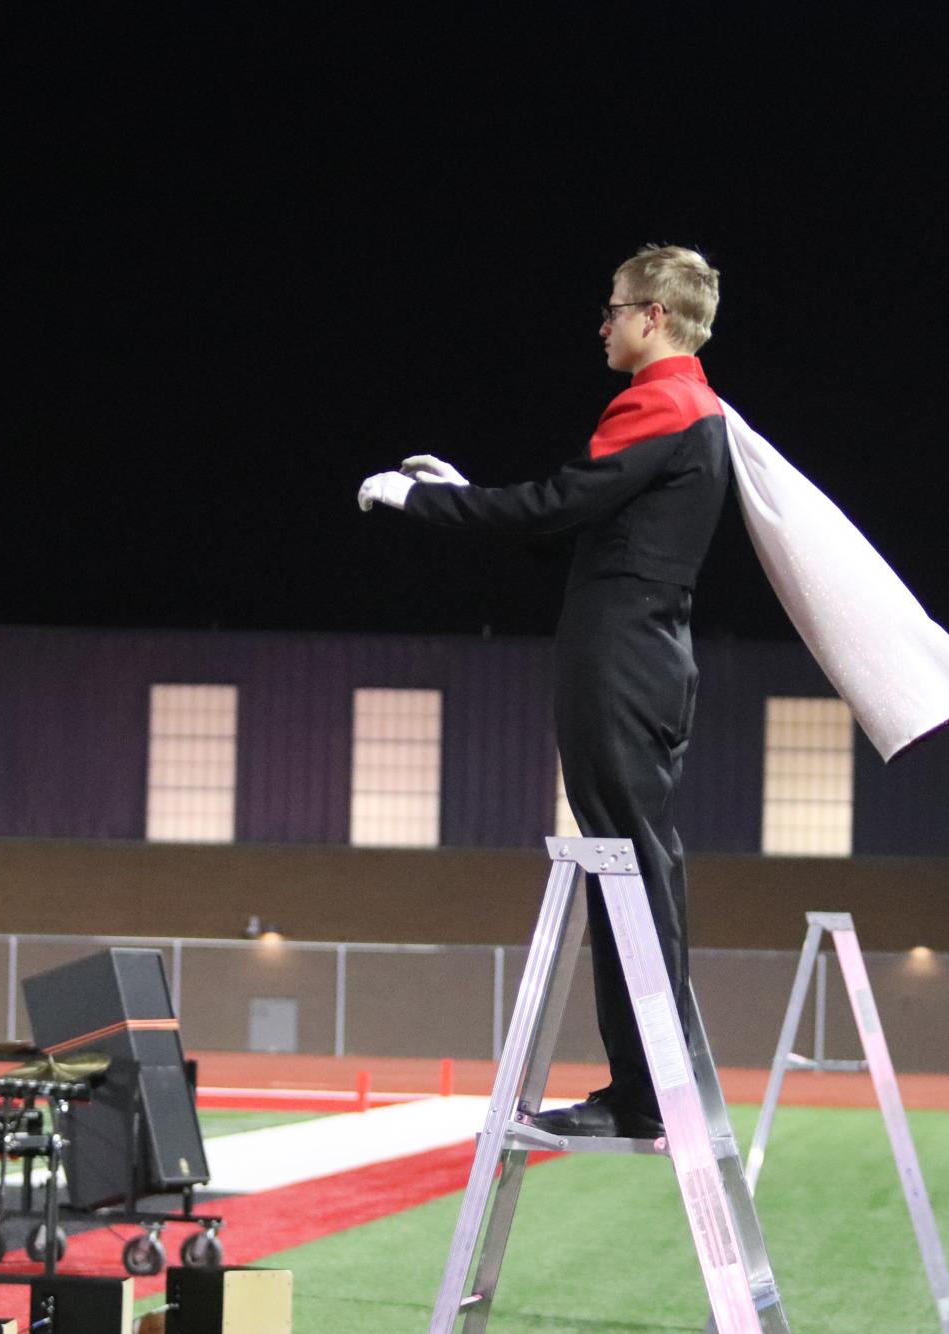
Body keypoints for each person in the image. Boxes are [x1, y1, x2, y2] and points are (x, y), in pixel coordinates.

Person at [358, 244, 728, 1138]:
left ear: (656, 318)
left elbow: (551, 506)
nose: (601, 325)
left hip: (621, 660)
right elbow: (567, 519)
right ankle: (647, 1086)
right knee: (632, 863)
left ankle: (644, 1097)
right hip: (644, 655)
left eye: (613, 308)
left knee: (626, 868)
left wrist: (424, 506)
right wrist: (464, 492)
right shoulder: (691, 406)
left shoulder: (664, 399)